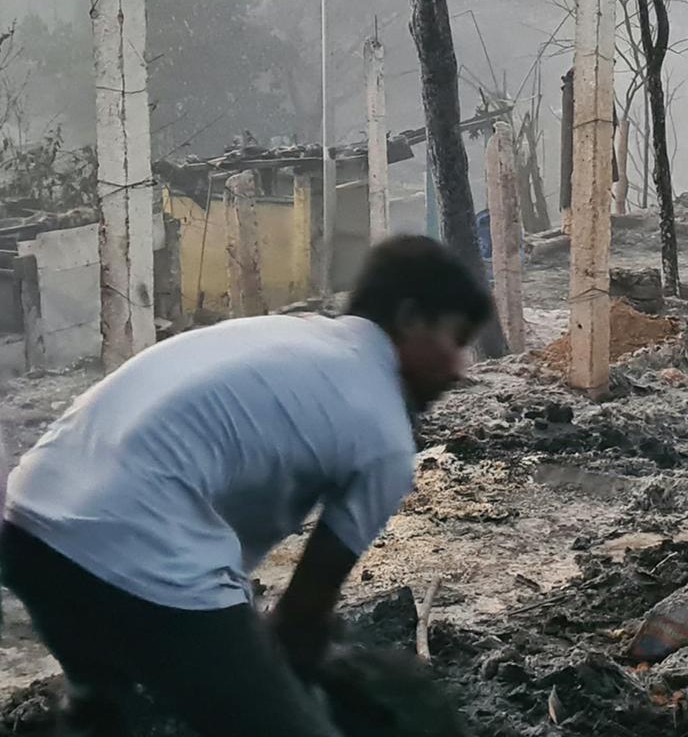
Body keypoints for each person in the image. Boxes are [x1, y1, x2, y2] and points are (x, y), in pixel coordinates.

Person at [0, 235, 491, 737]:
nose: (460, 368)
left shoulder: (286, 336)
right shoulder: (384, 431)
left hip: (31, 525)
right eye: (456, 339)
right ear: (409, 319)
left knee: (105, 710)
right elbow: (299, 618)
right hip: (134, 548)